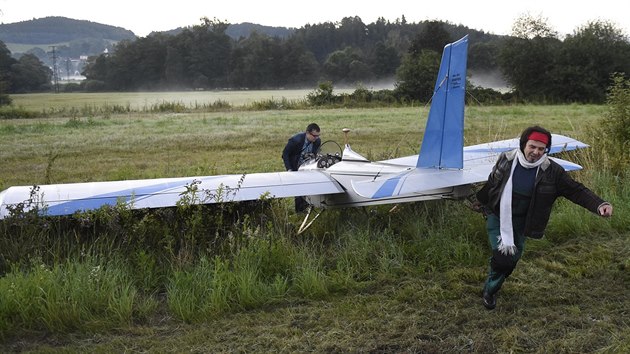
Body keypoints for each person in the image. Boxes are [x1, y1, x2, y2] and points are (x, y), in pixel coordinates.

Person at [474, 126, 613, 310]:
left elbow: (575, 190)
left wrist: (599, 204)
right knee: (503, 258)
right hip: (498, 216)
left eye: (541, 149)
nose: (536, 152)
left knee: (512, 260)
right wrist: (480, 201)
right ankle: (490, 291)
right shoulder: (507, 160)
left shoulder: (552, 171)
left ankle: (496, 275)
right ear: (524, 144)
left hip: (524, 222)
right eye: (532, 147)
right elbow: (493, 182)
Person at [282, 123, 321, 212]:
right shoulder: (296, 140)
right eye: (314, 136)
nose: (316, 138)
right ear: (307, 133)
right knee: (299, 189)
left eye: (318, 136)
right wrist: (289, 169)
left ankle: (308, 207)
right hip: (295, 166)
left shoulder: (317, 142)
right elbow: (285, 154)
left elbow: (316, 154)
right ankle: (299, 211)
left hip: (308, 167)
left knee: (309, 187)